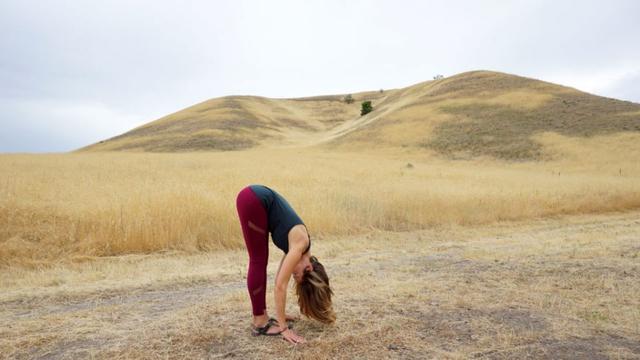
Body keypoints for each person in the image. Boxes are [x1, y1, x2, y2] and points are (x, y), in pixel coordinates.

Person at [236, 185, 335, 344]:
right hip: (253, 200)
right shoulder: (300, 244)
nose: (293, 275)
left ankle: (261, 316)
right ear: (308, 267)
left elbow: (279, 280)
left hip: (253, 198)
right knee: (258, 261)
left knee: (260, 260)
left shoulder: (299, 247)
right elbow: (281, 286)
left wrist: (281, 315)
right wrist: (284, 328)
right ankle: (260, 321)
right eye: (297, 275)